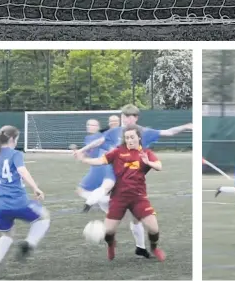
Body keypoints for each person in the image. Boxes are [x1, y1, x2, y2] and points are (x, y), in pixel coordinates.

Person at [75, 104, 191, 258]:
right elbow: (99, 143)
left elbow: (169, 132)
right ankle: (93, 206)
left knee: (138, 220)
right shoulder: (114, 135)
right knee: (108, 186)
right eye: (124, 117)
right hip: (115, 170)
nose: (127, 120)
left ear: (136, 118)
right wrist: (83, 152)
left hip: (135, 180)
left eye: (130, 117)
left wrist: (188, 126)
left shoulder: (145, 135)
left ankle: (143, 247)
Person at [77, 125, 166, 262]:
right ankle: (111, 245)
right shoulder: (118, 152)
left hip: (138, 198)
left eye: (132, 137)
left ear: (139, 137)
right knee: (108, 232)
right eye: (127, 138)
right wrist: (84, 160)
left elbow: (159, 166)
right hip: (118, 198)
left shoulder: (146, 153)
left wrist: (149, 163)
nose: (129, 140)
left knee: (154, 228)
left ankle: (154, 248)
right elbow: (101, 161)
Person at [0, 126, 50, 278]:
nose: (16, 142)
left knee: (6, 236)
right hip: (18, 202)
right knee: (43, 217)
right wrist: (35, 188)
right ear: (11, 140)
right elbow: (22, 171)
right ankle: (29, 244)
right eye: (17, 139)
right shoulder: (16, 154)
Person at [72, 120, 110, 213]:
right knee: (102, 194)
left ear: (98, 127)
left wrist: (81, 153)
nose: (90, 126)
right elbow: (90, 153)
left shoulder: (97, 137)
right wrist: (80, 154)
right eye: (88, 124)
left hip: (99, 168)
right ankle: (111, 211)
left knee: (80, 190)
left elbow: (97, 144)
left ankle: (102, 199)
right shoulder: (88, 138)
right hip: (98, 166)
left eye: (93, 125)